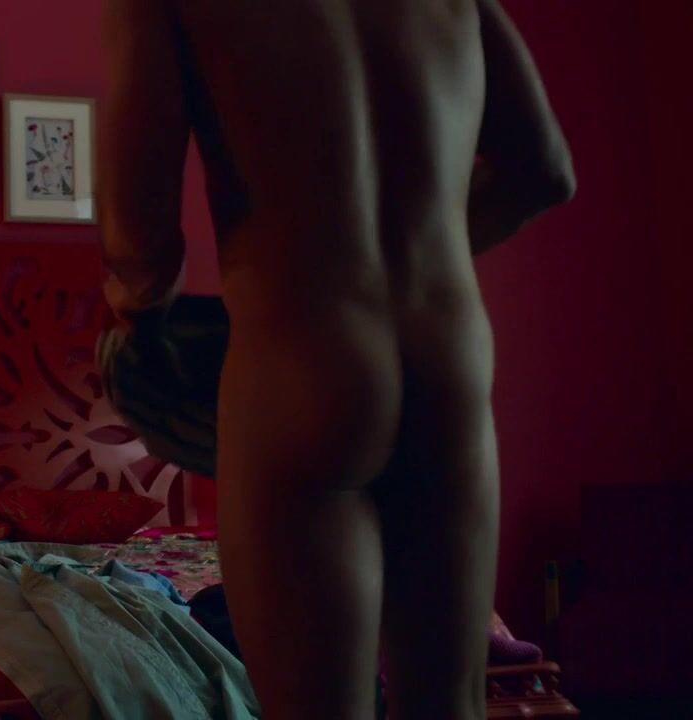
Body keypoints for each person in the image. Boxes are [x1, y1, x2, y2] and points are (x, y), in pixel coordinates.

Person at [97, 1, 576, 718]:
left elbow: (138, 231)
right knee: (450, 703)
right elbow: (544, 171)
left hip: (302, 363)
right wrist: (411, 259)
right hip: (449, 366)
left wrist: (139, 323)